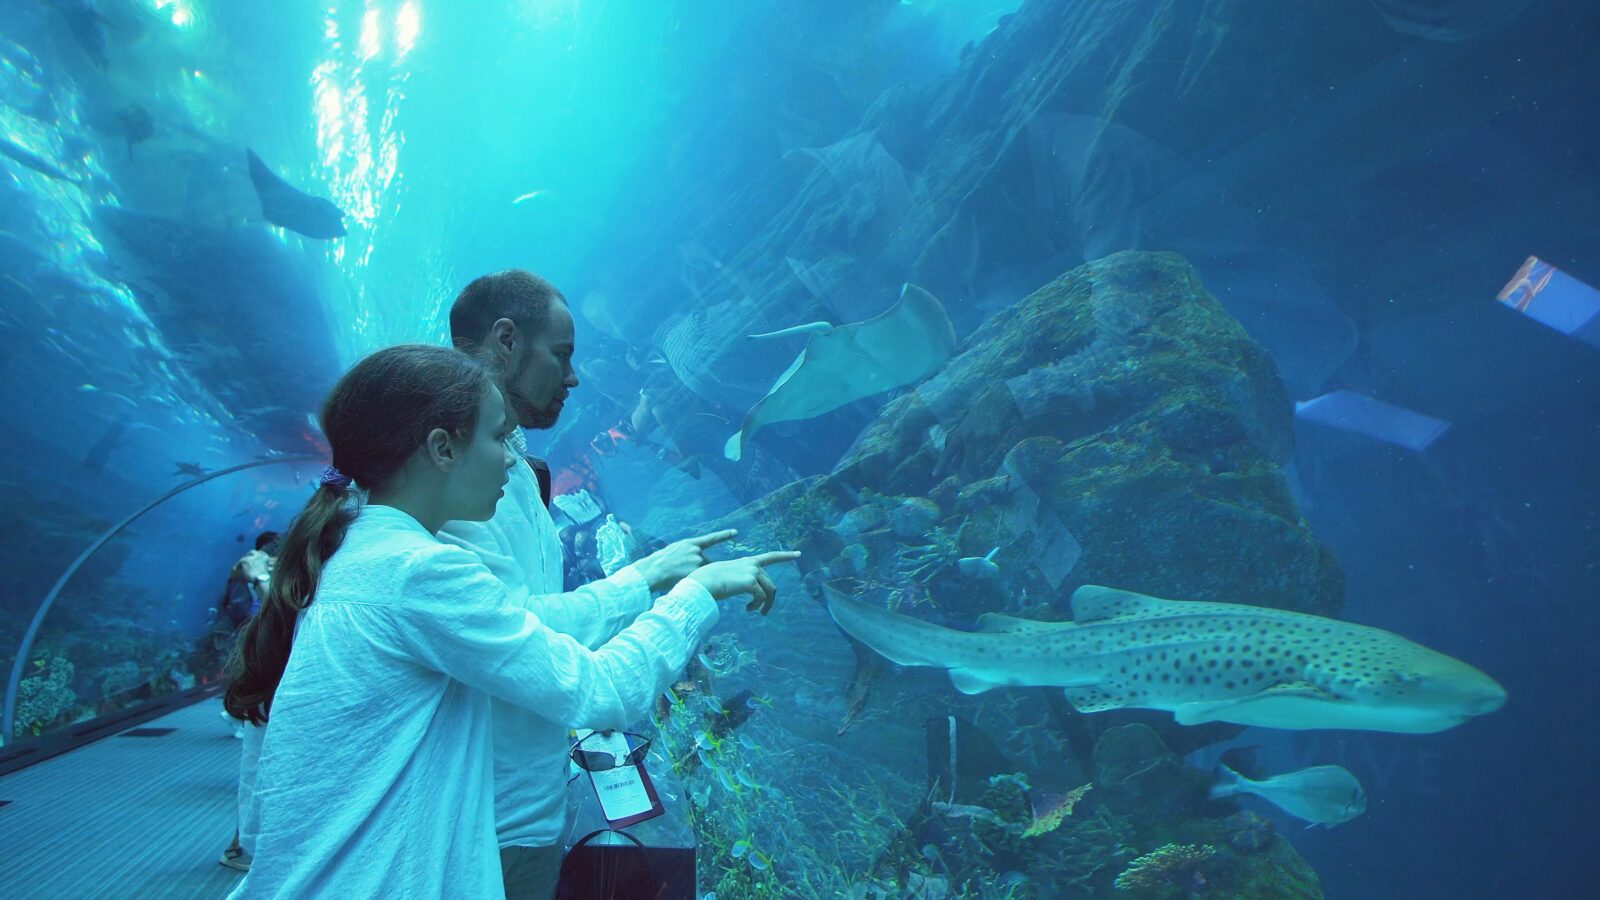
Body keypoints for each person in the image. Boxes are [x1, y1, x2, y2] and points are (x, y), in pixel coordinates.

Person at [222, 344, 797, 897]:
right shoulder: (420, 573)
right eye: (499, 437)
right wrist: (699, 591)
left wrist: (641, 578)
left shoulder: (360, 554)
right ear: (443, 449)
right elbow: (601, 690)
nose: (513, 458)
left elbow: (526, 632)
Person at [441, 269, 770, 898]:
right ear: (505, 340)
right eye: (562, 355)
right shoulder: (460, 480)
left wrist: (643, 575)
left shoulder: (504, 456)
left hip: (520, 797)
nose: (574, 377)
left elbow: (518, 620)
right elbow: (561, 665)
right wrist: (692, 595)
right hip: (490, 817)